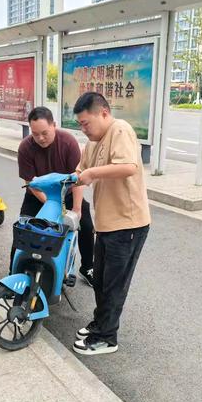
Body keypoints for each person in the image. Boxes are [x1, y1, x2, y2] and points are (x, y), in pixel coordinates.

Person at [72, 92, 151, 356]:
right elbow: (79, 170)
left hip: (128, 224)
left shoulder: (120, 130)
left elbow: (128, 166)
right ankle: (100, 325)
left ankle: (107, 337)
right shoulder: (93, 143)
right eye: (80, 125)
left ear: (103, 113)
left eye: (86, 123)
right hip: (106, 224)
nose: (84, 130)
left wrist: (91, 174)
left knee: (114, 285)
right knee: (100, 281)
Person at [11, 106, 95, 285]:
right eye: (35, 134)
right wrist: (51, 204)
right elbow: (30, 182)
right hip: (38, 196)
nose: (40, 138)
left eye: (45, 133)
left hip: (69, 193)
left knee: (86, 225)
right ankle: (15, 271)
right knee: (24, 229)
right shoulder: (25, 147)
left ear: (54, 125)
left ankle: (87, 267)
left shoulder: (68, 143)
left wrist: (77, 209)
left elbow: (78, 179)